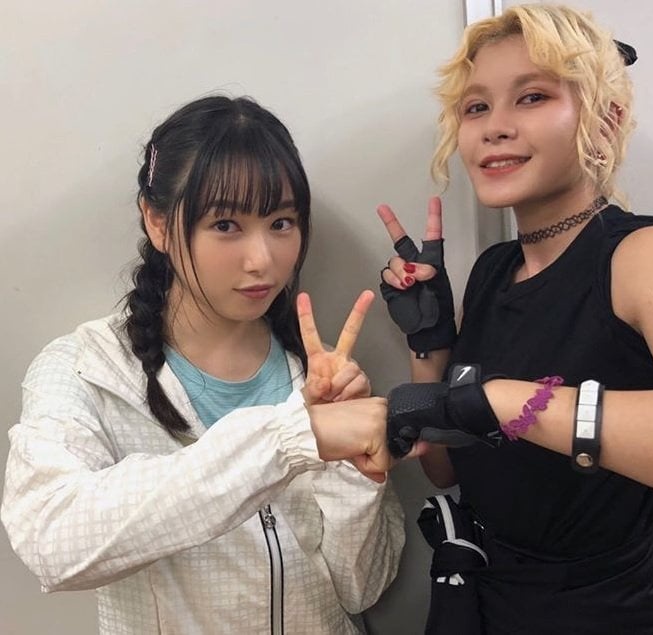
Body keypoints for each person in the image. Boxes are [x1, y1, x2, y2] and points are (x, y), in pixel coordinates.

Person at [377, 4, 653, 634]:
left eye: (532, 97)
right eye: (476, 107)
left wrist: (510, 402)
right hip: (485, 610)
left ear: (606, 120)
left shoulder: (648, 257)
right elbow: (449, 470)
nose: (495, 127)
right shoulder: (492, 272)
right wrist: (429, 345)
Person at [1, 95, 404, 634]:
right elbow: (53, 543)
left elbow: (361, 588)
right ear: (158, 223)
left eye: (281, 222)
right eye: (226, 224)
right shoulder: (84, 369)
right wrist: (287, 441)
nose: (262, 259)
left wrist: (354, 477)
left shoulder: (318, 379)